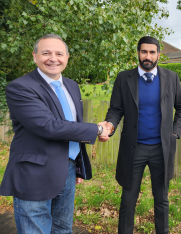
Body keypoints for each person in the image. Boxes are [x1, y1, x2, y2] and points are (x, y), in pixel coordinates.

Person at [0, 34, 111, 234]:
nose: (53, 58)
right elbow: (49, 126)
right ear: (34, 56)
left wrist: (77, 164)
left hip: (67, 170)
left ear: (67, 58)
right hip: (34, 174)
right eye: (46, 53)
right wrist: (97, 129)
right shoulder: (20, 87)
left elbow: (72, 125)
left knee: (62, 230)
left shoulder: (72, 86)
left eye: (59, 53)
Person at [99, 36, 181, 234]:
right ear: (138, 53)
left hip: (161, 149)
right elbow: (115, 109)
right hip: (134, 149)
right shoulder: (124, 78)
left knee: (162, 199)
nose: (148, 56)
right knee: (128, 200)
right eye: (144, 52)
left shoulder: (171, 78)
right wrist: (110, 126)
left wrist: (174, 133)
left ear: (158, 54)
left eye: (152, 52)